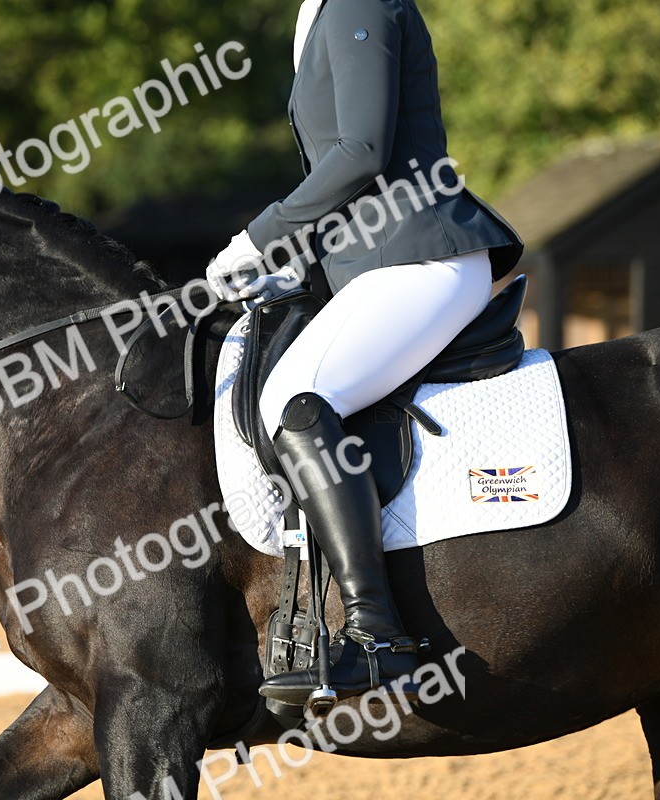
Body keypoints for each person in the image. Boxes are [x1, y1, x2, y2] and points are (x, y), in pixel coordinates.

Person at [206, 0, 523, 704]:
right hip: (374, 262)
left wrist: (262, 236)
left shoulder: (360, 3)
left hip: (423, 255)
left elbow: (362, 152)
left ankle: (377, 635)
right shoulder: (321, 12)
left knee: (298, 402)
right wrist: (295, 262)